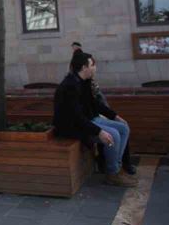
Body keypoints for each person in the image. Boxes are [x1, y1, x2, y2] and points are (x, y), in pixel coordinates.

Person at [53, 51, 136, 187]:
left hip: (89, 119)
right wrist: (99, 132)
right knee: (113, 135)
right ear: (84, 67)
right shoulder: (69, 86)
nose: (95, 68)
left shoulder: (84, 81)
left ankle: (115, 168)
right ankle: (112, 173)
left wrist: (115, 116)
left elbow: (96, 104)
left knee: (123, 128)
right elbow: (76, 117)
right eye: (92, 65)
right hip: (72, 126)